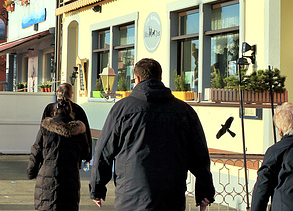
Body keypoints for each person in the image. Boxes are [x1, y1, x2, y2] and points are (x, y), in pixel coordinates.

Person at [89, 58, 215, 210]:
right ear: (160, 78)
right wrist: (205, 191)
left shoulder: (122, 109)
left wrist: (97, 187)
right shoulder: (184, 111)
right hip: (171, 196)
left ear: (136, 79)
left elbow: (104, 150)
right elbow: (199, 154)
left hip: (131, 196)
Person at [28, 98, 88, 210]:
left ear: (54, 112)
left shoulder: (45, 129)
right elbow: (85, 152)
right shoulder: (79, 131)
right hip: (70, 178)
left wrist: (31, 171)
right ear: (71, 113)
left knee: (47, 205)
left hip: (47, 177)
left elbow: (36, 151)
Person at [41, 83, 92, 162]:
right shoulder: (78, 109)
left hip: (51, 154)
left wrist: (40, 153)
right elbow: (86, 133)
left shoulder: (50, 108)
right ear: (71, 95)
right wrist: (87, 155)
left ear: (57, 94)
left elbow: (42, 132)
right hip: (72, 156)